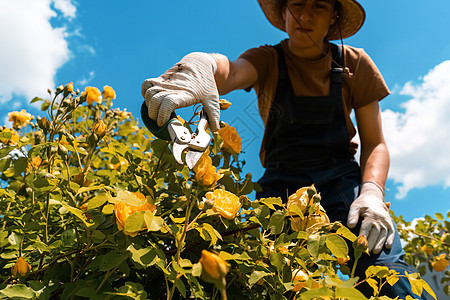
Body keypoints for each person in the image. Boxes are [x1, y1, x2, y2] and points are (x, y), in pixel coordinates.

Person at [141, 0, 431, 298]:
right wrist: (204, 64)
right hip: (281, 184)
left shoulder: (354, 62)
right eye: (297, 3)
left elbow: (375, 142)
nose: (305, 15)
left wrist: (371, 192)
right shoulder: (267, 59)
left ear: (334, 16)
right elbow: (232, 72)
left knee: (387, 270)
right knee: (269, 276)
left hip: (342, 180)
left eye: (318, 5)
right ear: (284, 11)